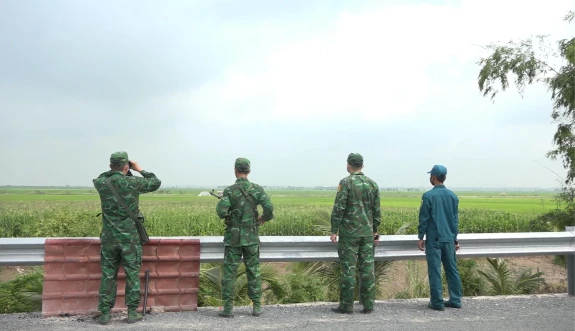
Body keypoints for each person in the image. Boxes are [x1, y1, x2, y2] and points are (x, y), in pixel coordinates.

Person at [92, 151, 162, 324]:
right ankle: (131, 312)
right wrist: (139, 169)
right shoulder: (133, 182)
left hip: (109, 238)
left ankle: (105, 314)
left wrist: (115, 170)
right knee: (132, 274)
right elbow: (155, 183)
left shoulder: (101, 183)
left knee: (108, 275)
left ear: (110, 166)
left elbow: (101, 176)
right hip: (130, 239)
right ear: (126, 166)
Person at [215, 157, 274, 318]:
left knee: (229, 272)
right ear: (248, 171)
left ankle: (228, 308)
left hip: (233, 238)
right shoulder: (257, 189)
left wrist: (223, 204)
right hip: (251, 237)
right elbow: (269, 207)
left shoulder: (229, 191)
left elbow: (221, 212)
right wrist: (263, 219)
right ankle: (256, 306)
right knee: (253, 271)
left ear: (235, 170)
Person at [330, 153, 381, 314]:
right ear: (362, 166)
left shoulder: (345, 183)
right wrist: (375, 230)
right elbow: (376, 211)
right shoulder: (372, 184)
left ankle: (346, 305)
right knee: (367, 270)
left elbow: (339, 207)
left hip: (349, 235)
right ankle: (368, 305)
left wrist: (334, 230)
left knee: (348, 270)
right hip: (367, 234)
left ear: (348, 165)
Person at [417, 164, 463, 311]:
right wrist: (455, 238)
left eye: (431, 176)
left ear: (434, 177)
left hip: (434, 240)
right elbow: (455, 220)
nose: (430, 178)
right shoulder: (453, 196)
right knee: (452, 270)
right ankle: (455, 300)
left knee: (435, 271)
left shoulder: (428, 196)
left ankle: (437, 302)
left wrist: (420, 237)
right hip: (449, 239)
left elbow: (424, 218)